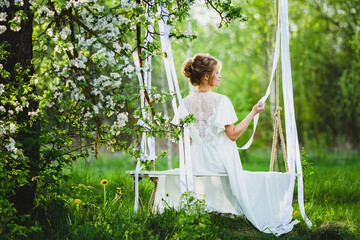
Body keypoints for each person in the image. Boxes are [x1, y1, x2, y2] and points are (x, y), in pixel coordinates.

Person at [175, 53, 265, 174]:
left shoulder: (185, 103)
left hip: (194, 163)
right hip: (218, 162)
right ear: (206, 76)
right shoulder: (221, 101)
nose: (220, 76)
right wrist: (253, 112)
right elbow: (232, 135)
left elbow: (183, 138)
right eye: (216, 72)